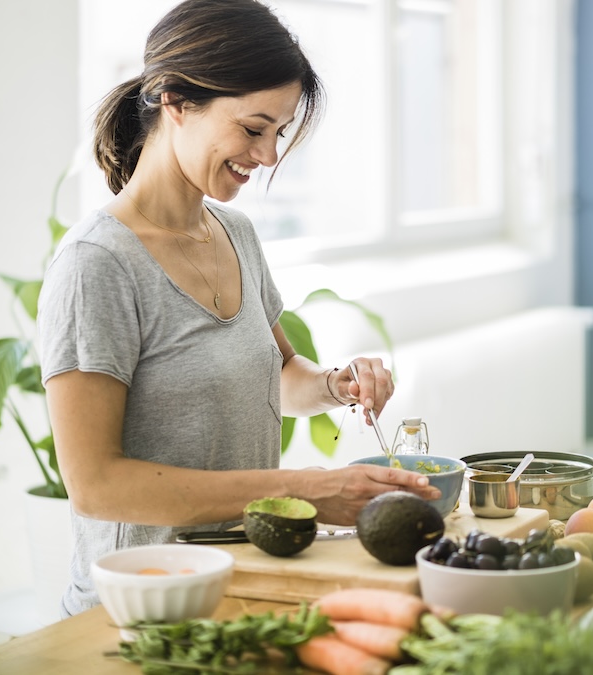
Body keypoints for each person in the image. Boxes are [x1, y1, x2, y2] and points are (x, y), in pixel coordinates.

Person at [37, 0, 439, 618]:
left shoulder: (236, 232)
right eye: (254, 129)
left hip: (243, 581)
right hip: (141, 609)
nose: (270, 155)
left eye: (278, 132)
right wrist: (306, 488)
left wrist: (335, 384)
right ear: (174, 101)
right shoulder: (98, 264)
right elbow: (97, 486)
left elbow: (275, 379)